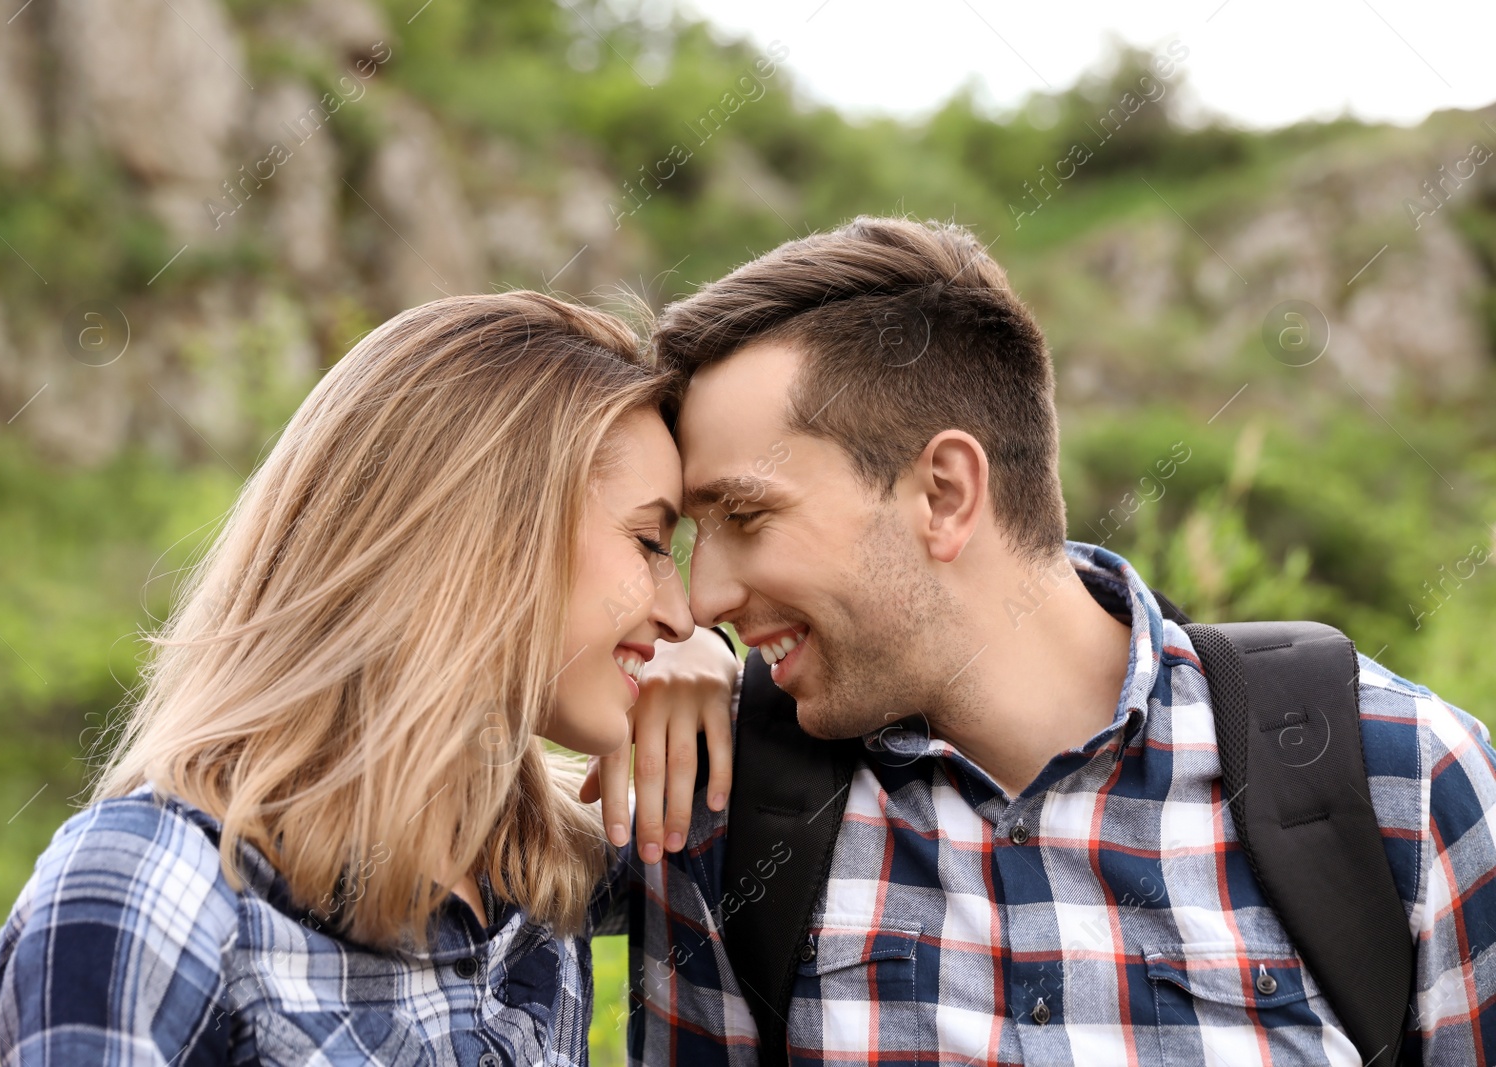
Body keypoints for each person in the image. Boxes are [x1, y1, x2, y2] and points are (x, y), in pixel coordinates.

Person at [621, 216, 1496, 1065]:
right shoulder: (717, 800)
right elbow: (495, 830)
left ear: (946, 493)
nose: (704, 597)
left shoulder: (1409, 783)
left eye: (745, 514)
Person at [0, 292, 731, 1066]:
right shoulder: (152, 889)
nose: (680, 611)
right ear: (485, 533)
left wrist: (713, 664)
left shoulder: (537, 860)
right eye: (651, 540)